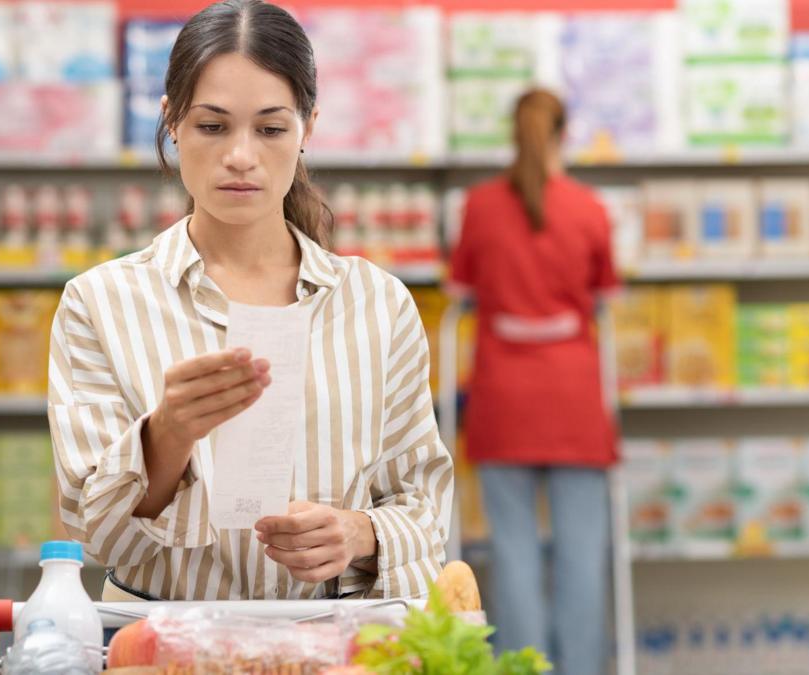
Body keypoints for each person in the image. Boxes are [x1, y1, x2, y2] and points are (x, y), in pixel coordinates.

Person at [47, 0, 454, 602]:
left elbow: (424, 503)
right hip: (163, 646)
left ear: (308, 127)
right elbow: (98, 532)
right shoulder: (99, 304)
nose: (241, 156)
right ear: (172, 123)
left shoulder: (378, 305)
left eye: (270, 128)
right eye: (212, 126)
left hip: (335, 648)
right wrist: (167, 434)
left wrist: (360, 532)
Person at [446, 89, 620, 675]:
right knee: (582, 552)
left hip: (505, 395)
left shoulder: (479, 206)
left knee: (513, 550)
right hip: (573, 396)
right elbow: (605, 294)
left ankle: (525, 667)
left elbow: (458, 291)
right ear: (562, 136)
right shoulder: (589, 207)